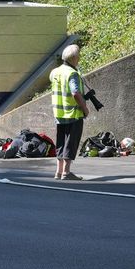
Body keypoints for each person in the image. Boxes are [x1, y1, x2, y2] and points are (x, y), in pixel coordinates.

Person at [50, 44, 90, 181]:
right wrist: (85, 109)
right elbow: (75, 93)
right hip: (73, 113)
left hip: (59, 113)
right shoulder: (72, 73)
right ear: (74, 58)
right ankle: (66, 172)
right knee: (70, 142)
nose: (79, 60)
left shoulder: (55, 72)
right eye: (78, 57)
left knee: (61, 141)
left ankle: (58, 172)